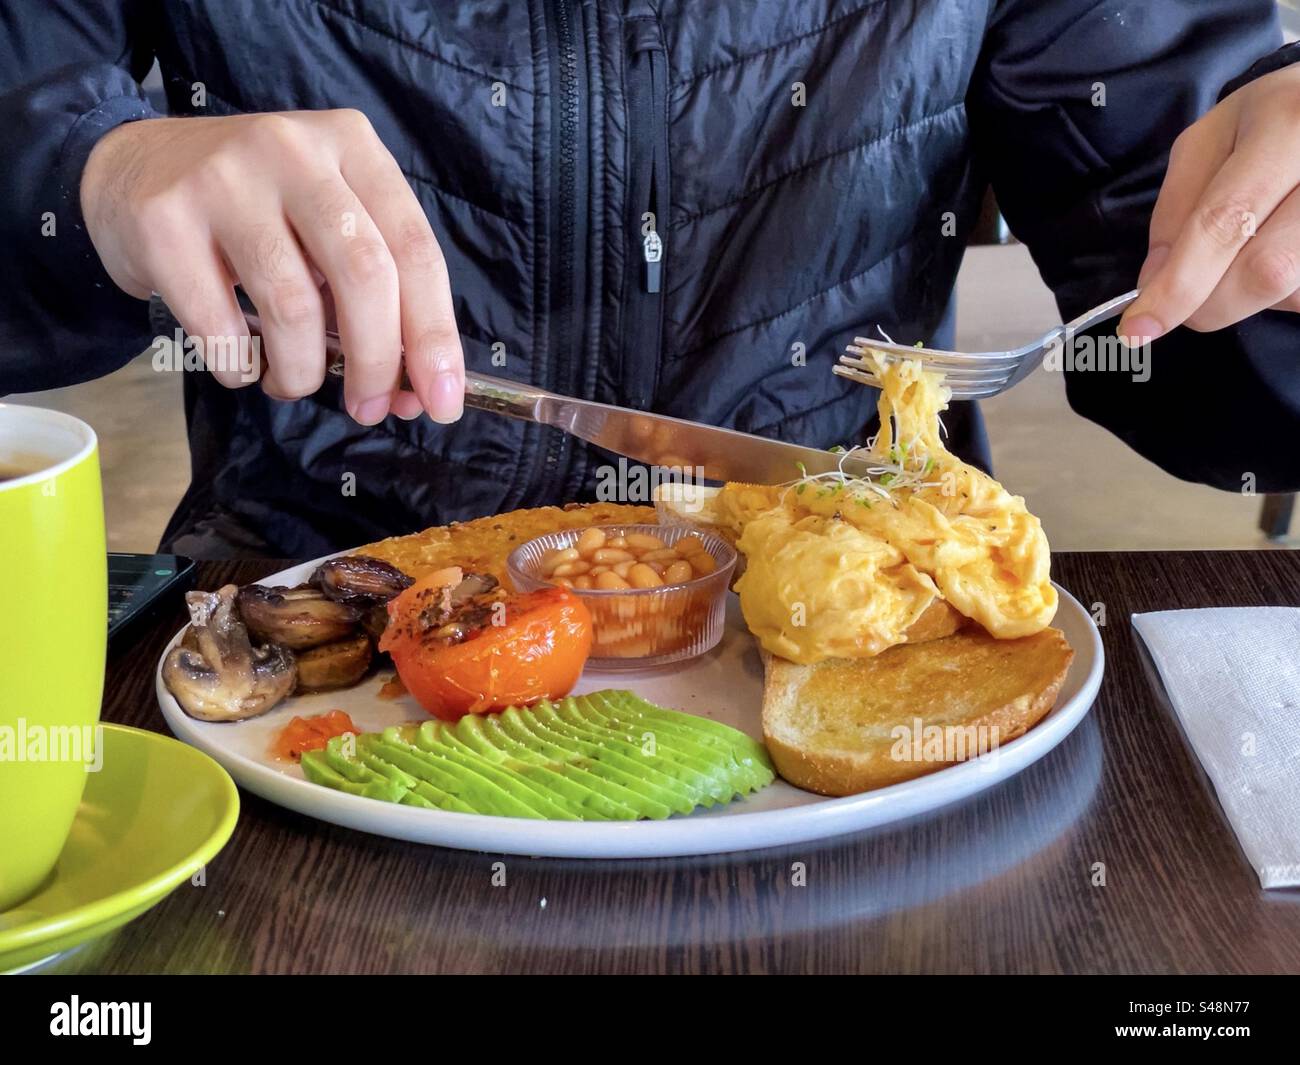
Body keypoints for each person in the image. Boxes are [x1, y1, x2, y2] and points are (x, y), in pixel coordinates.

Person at [1, 1, 1297, 558]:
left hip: (866, 617)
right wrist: (87, 176)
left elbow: (1199, 351)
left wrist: (1275, 251)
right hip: (311, 616)